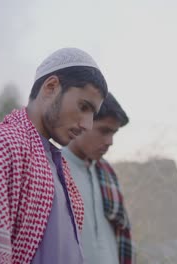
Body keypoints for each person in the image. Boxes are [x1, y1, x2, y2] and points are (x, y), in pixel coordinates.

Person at [0, 47, 108, 264]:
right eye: (83, 107)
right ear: (51, 87)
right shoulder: (1, 145)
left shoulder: (57, 165)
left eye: (93, 115)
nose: (87, 125)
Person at [62, 93, 134, 264]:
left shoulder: (107, 174)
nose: (110, 141)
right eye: (104, 131)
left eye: (114, 133)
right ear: (80, 123)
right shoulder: (51, 171)